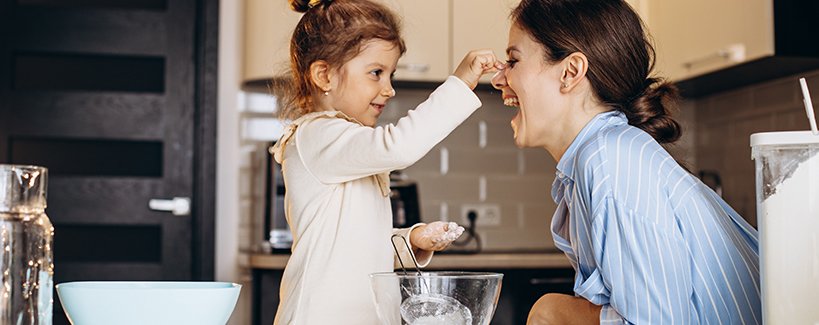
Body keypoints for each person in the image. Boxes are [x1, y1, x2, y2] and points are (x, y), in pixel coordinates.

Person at [490, 0, 761, 324]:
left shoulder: (608, 160)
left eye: (512, 61)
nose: (498, 79)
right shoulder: (601, 157)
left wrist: (550, 311)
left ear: (571, 72)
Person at [269, 0, 504, 323]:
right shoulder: (316, 135)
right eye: (376, 73)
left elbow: (357, 246)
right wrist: (461, 82)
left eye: (390, 74)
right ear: (324, 75)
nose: (389, 89)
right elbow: (399, 146)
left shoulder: (345, 145)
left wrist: (411, 240)